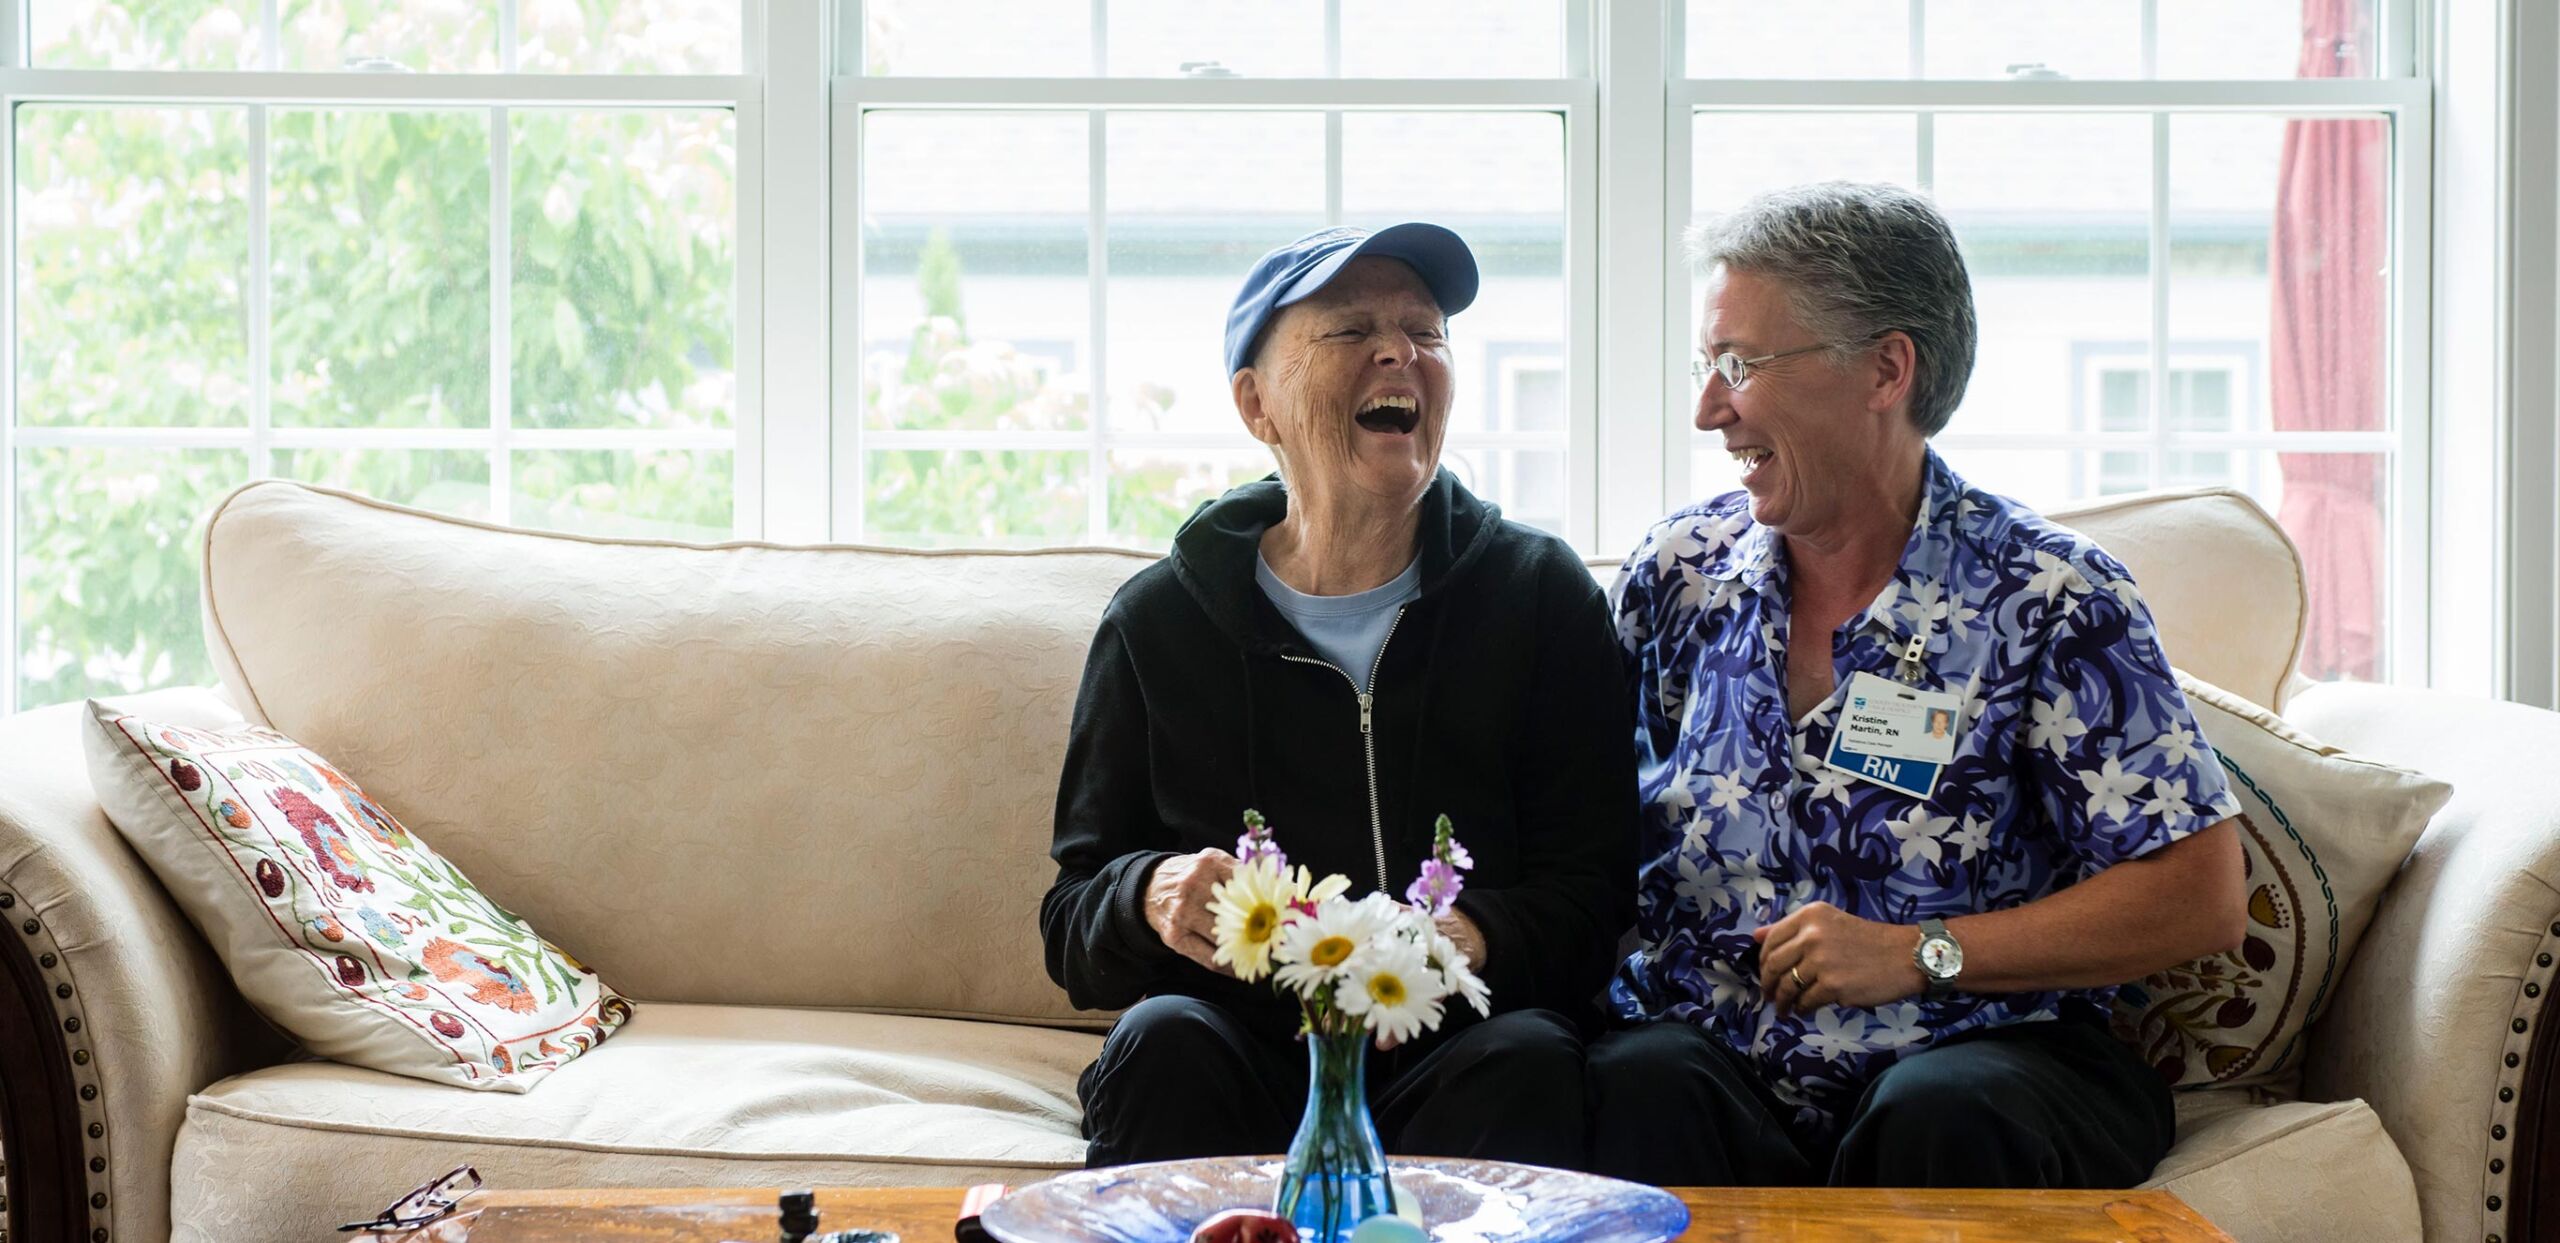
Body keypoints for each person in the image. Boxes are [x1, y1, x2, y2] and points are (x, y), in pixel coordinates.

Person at [1589, 182, 2247, 1190]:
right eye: (1705, 366)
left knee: (1943, 1111)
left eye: (1739, 365)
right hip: (1714, 1055)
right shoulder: (1680, 574)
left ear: (1886, 369)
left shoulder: (2046, 595)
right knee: (1634, 1080)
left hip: (1984, 1051)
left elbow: (2196, 897)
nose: (1708, 408)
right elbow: (1583, 818)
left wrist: (1919, 951)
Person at [1042, 223, 1639, 1171]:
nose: (1400, 351)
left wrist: (1477, 931)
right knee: (1161, 1040)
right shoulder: (1159, 623)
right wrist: (1144, 894)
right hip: (1242, 1048)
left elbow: (1599, 887)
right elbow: (1071, 922)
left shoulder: (1537, 596)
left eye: (1426, 332)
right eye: (1351, 328)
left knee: (1531, 1057)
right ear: (1257, 403)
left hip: (1455, 1047)